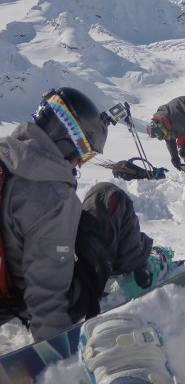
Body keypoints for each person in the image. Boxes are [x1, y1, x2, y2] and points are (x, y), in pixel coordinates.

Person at [0, 87, 172, 341]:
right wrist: (56, 355)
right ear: (68, 141)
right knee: (108, 198)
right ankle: (140, 272)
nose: (81, 163)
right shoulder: (51, 196)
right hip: (28, 298)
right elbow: (47, 297)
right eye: (86, 152)